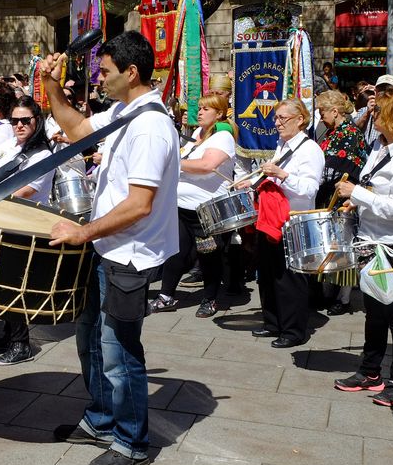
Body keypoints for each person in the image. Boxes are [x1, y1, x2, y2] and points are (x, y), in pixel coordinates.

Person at [41, 30, 179, 465]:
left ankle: (132, 441)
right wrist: (50, 87)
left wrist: (83, 233)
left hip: (130, 256)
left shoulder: (151, 127)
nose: (98, 80)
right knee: (90, 341)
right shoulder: (125, 113)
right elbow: (78, 129)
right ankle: (102, 420)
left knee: (120, 352)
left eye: (104, 72)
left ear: (131, 72)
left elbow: (140, 204)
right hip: (108, 249)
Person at [333, 91, 393, 406]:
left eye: (381, 111)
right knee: (375, 313)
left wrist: (357, 192)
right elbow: (375, 191)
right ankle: (370, 371)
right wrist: (355, 201)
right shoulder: (382, 147)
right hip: (372, 240)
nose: (374, 114)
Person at [0, 97, 56, 366]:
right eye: (15, 121)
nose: (19, 125)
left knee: (12, 284)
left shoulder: (42, 154)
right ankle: (10, 334)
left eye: (25, 121)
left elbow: (25, 191)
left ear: (37, 121)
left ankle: (21, 344)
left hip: (23, 226)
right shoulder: (11, 144)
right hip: (0, 219)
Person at [248, 98, 325, 348]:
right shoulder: (283, 144)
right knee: (269, 274)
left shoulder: (310, 149)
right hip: (273, 217)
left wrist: (282, 174)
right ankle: (273, 323)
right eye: (276, 118)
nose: (277, 123)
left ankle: (293, 331)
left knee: (290, 278)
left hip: (294, 220)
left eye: (283, 118)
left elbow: (310, 188)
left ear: (300, 120)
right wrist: (253, 183)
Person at [151, 93, 237, 318]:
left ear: (219, 114)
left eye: (206, 109)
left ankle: (210, 299)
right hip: (182, 206)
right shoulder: (200, 133)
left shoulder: (223, 136)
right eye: (199, 108)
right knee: (175, 251)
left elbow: (207, 165)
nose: (199, 112)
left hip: (205, 211)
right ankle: (166, 296)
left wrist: (172, 161)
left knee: (208, 254)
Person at [313, 90, 367, 315]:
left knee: (344, 244)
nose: (320, 116)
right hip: (327, 194)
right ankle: (329, 291)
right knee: (331, 244)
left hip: (344, 197)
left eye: (322, 112)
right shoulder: (331, 131)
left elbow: (337, 168)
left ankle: (344, 298)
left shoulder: (350, 132)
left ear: (335, 111)